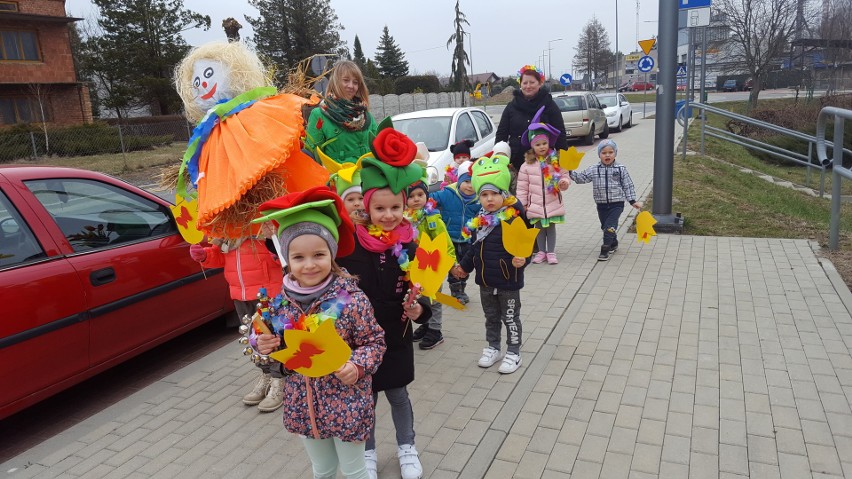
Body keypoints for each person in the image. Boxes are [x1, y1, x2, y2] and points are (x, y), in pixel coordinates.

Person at [254, 186, 386, 479]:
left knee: (353, 471)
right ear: (288, 259)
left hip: (347, 402)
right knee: (322, 469)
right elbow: (268, 340)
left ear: (332, 253)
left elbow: (374, 342)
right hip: (305, 404)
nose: (310, 264)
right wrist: (261, 343)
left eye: (318, 254)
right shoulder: (280, 302)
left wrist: (357, 365)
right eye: (299, 257)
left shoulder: (351, 299)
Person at [336, 126, 432, 479]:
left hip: (397, 332)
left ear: (404, 205)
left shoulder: (408, 243)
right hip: (360, 339)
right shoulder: (350, 244)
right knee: (367, 399)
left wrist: (421, 310)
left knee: (398, 394)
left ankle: (407, 447)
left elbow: (424, 287)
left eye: (395, 207)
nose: (388, 214)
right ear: (367, 206)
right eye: (380, 207)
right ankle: (368, 451)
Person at [189, 230, 285, 412]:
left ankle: (278, 380)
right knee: (254, 339)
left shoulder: (265, 227)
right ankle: (265, 374)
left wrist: (274, 247)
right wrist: (204, 256)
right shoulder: (227, 231)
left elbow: (284, 256)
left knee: (273, 340)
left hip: (267, 293)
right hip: (240, 294)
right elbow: (219, 257)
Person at [453, 153, 530, 375]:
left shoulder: (512, 219)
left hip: (509, 281)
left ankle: (514, 351)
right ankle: (493, 347)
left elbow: (528, 247)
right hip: (485, 281)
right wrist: (464, 268)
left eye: (494, 194)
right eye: (484, 195)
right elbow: (474, 248)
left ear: (503, 195)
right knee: (491, 317)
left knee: (510, 317)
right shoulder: (479, 221)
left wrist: (522, 261)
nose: (489, 199)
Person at [495, 65, 568, 191]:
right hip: (516, 162)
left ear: (540, 83)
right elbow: (501, 135)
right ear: (520, 84)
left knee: (542, 198)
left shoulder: (549, 105)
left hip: (544, 162)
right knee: (519, 200)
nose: (528, 86)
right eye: (525, 82)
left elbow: (560, 133)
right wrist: (499, 158)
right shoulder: (512, 107)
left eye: (532, 82)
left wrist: (564, 162)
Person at [569, 139, 642, 261]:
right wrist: (569, 172)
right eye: (604, 153)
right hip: (601, 204)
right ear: (599, 155)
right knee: (605, 226)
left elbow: (628, 185)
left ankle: (605, 248)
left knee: (609, 226)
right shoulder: (594, 169)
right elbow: (581, 178)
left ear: (615, 153)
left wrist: (632, 201)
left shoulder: (620, 169)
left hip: (617, 204)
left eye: (610, 152)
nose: (607, 155)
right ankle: (613, 242)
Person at [516, 107, 571, 265]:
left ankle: (551, 252)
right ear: (532, 146)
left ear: (549, 143)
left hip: (552, 201)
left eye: (544, 143)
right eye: (538, 144)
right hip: (535, 204)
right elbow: (522, 187)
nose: (541, 147)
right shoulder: (527, 165)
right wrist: (523, 204)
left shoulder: (555, 161)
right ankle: (541, 251)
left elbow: (565, 175)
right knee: (539, 228)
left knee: (551, 228)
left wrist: (563, 183)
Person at [405, 178, 456, 350]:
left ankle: (436, 330)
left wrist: (449, 263)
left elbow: (445, 241)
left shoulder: (432, 218)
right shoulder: (406, 219)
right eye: (411, 196)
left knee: (434, 297)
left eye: (420, 195)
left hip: (433, 266)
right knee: (421, 296)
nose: (417, 199)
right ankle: (425, 324)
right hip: (416, 267)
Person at [305, 60, 378, 165]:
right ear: (336, 82)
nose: (351, 86)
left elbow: (380, 146)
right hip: (339, 178)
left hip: (370, 176)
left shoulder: (365, 115)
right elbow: (311, 155)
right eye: (346, 80)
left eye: (355, 82)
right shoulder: (320, 114)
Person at [429, 160, 480, 305]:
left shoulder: (478, 200)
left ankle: (462, 288)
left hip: (467, 239)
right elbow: (430, 198)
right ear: (459, 181)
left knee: (465, 267)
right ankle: (456, 292)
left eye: (473, 182)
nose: (470, 186)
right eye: (466, 181)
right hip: (449, 240)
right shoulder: (448, 194)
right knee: (452, 266)